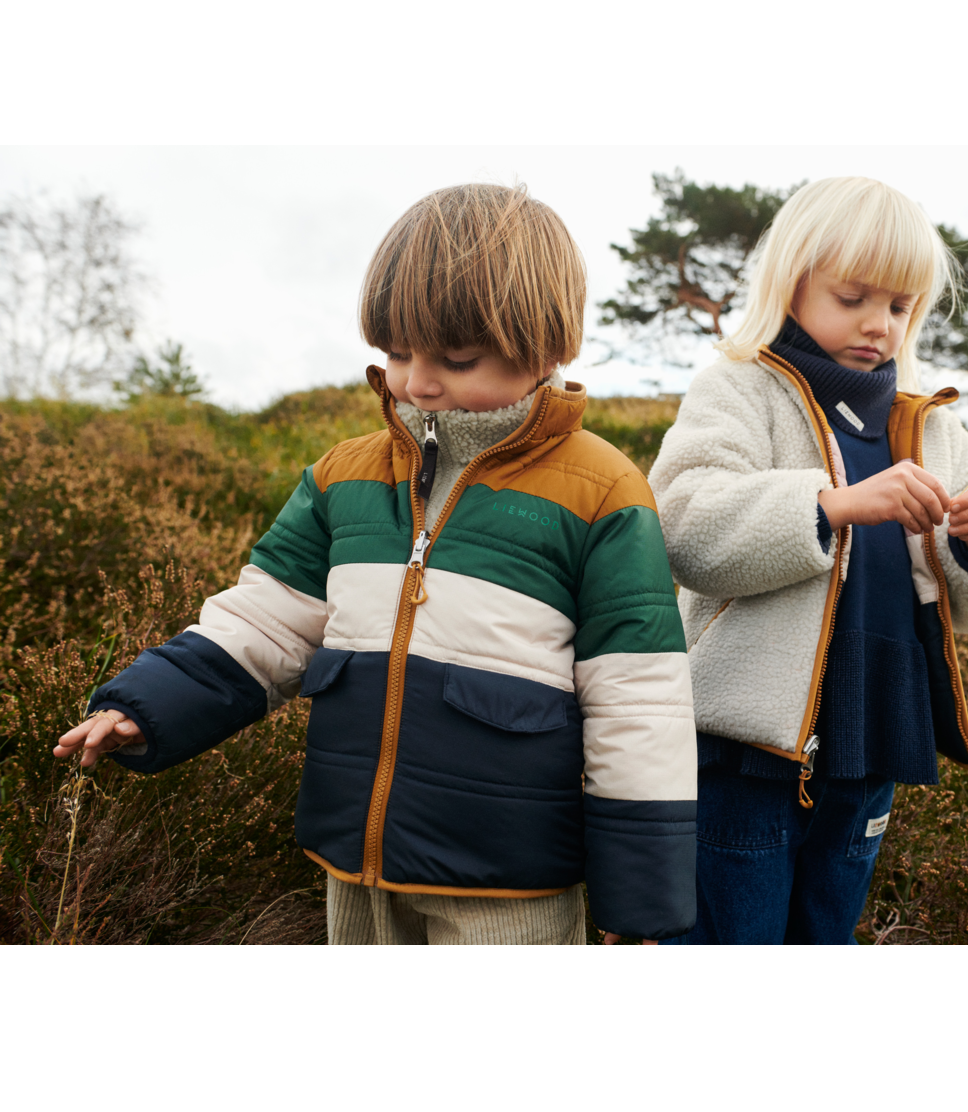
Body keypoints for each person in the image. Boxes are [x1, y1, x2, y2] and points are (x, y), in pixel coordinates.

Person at [56, 184, 697, 946]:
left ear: (548, 346)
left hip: (509, 879)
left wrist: (639, 901)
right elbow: (268, 621)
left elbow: (639, 706)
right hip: (353, 862)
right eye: (396, 352)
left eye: (456, 358)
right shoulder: (343, 475)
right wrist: (149, 703)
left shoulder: (604, 493)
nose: (416, 381)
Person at [648, 176, 968, 945]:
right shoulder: (740, 388)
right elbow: (682, 523)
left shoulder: (926, 426)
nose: (879, 326)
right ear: (789, 282)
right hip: (744, 754)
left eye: (899, 307)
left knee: (826, 932)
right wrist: (831, 504)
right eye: (853, 296)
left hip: (876, 740)